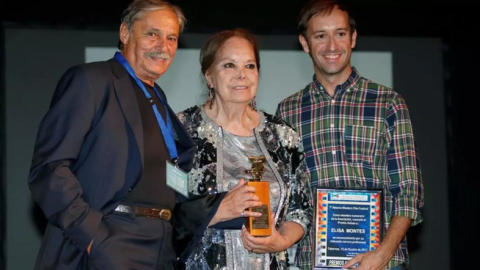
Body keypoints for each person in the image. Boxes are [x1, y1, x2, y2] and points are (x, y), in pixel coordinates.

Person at [27, 0, 195, 269]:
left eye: (171, 37)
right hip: (111, 240)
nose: (163, 47)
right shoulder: (91, 80)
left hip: (161, 244)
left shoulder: (157, 97)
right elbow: (49, 167)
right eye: (152, 34)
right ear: (125, 33)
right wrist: (92, 236)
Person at [275, 1, 424, 270]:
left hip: (381, 264)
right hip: (312, 263)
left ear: (353, 38)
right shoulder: (288, 111)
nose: (332, 46)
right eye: (321, 35)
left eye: (340, 33)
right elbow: (288, 195)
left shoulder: (388, 103)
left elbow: (408, 191)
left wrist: (382, 254)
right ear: (305, 43)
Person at [172, 29, 314, 270]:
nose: (242, 75)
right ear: (209, 75)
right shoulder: (181, 131)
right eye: (229, 65)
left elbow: (301, 211)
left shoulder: (283, 136)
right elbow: (162, 209)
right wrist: (216, 211)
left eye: (250, 66)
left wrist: (281, 240)